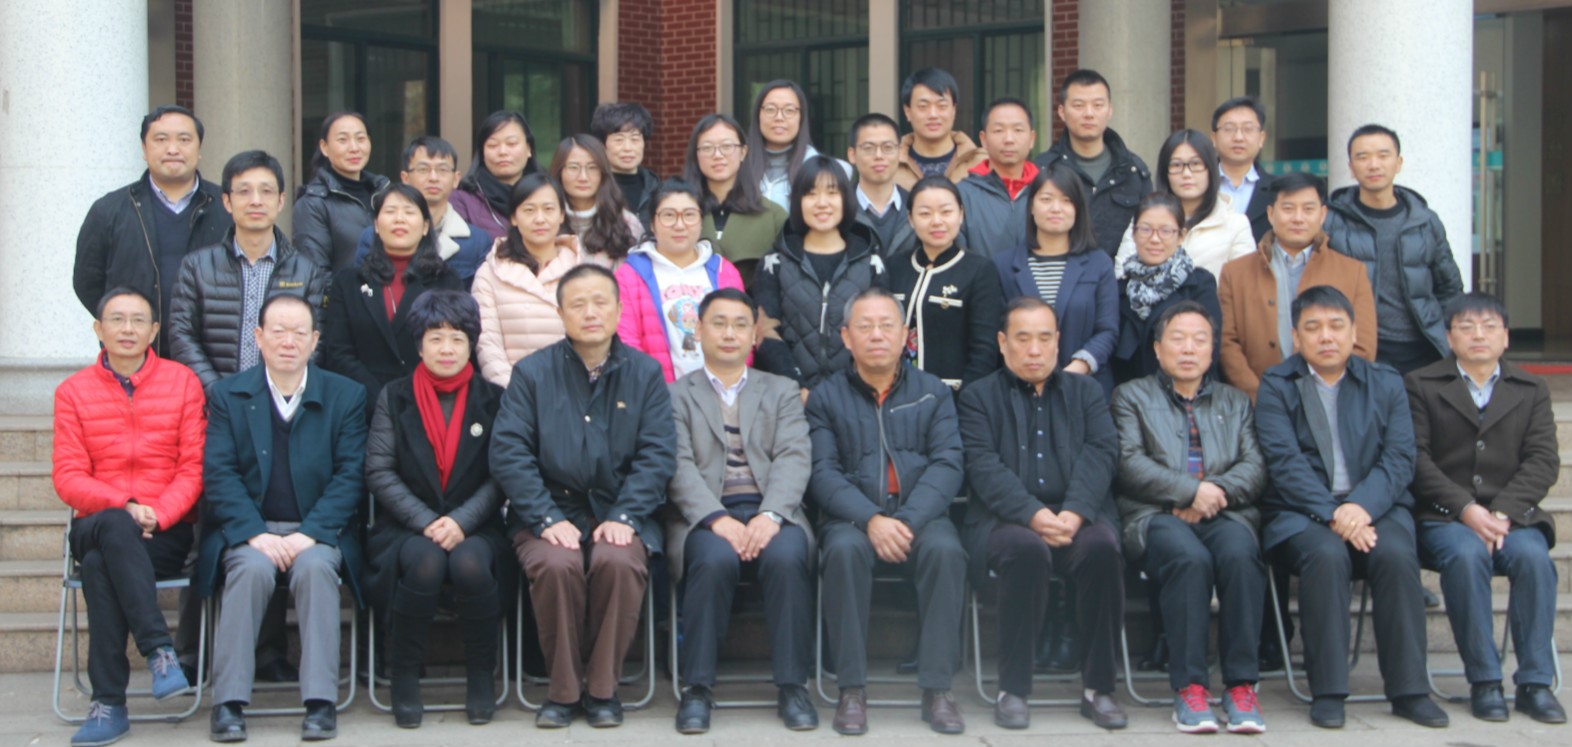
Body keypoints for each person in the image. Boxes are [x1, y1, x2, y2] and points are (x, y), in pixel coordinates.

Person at [489, 264, 677, 729]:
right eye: (577, 304)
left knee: (618, 561)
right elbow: (509, 452)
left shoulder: (645, 373)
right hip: (550, 511)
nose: (590, 313)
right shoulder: (532, 373)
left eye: (600, 303)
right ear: (560, 313)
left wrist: (627, 514)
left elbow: (657, 454)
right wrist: (545, 517)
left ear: (618, 309)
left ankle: (602, 690)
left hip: (620, 509)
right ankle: (563, 691)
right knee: (557, 564)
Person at [1253, 285, 1448, 730]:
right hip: (1301, 513)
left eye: (1336, 326)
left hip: (1376, 508)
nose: (1326, 336)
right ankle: (1328, 690)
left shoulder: (1386, 382)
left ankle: (1410, 690)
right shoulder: (1277, 385)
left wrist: (1360, 506)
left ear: (1354, 332)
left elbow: (1399, 458)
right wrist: (1333, 512)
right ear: (1295, 336)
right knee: (1326, 555)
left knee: (1396, 554)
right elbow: (1284, 463)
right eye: (1313, 327)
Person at [199, 294, 368, 743]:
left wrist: (309, 534)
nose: (288, 342)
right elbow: (219, 473)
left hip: (316, 533)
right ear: (258, 337)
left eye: (299, 333)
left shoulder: (346, 396)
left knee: (316, 571)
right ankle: (228, 702)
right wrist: (254, 533)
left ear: (315, 340)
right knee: (250, 571)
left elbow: (351, 475)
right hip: (251, 533)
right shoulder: (228, 395)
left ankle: (320, 702)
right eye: (278, 331)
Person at [959, 296, 1126, 731]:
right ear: (1002, 342)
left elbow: (1102, 452)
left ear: (1058, 342)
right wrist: (1031, 514)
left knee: (1103, 548)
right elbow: (982, 466)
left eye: (1044, 338)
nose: (1034, 350)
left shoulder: (1087, 392)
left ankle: (1099, 688)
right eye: (1023, 338)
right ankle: (1013, 689)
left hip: (1077, 516)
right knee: (1027, 551)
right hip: (1005, 520)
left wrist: (1076, 511)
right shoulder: (978, 397)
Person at [807, 287, 968, 736]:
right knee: (842, 553)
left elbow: (948, 464)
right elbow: (822, 473)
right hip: (852, 519)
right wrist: (871, 519)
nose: (876, 335)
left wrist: (907, 521)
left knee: (946, 553)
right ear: (846, 337)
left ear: (904, 336)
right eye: (865, 326)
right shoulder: (825, 397)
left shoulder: (933, 392)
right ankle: (851, 690)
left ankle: (938, 689)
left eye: (886, 326)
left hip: (920, 516)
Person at [53, 288, 203, 747]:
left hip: (163, 530)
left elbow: (193, 468)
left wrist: (159, 514)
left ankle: (108, 705)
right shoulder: (72, 392)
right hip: (96, 522)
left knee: (100, 566)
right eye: (116, 319)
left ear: (154, 331)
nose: (127, 329)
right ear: (98, 329)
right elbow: (67, 477)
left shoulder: (182, 383)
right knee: (114, 528)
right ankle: (158, 648)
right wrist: (125, 504)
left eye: (138, 320)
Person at [1407, 293, 1565, 724]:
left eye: (1489, 326)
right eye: (1467, 327)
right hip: (1445, 516)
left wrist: (1502, 512)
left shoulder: (1530, 389)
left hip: (1512, 518)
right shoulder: (1420, 384)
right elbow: (1417, 459)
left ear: (1506, 337)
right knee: (1465, 555)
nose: (1479, 335)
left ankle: (1535, 683)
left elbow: (1543, 460)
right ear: (1449, 337)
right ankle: (1485, 681)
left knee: (1534, 559)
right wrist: (1465, 509)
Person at [1111, 300, 1268, 734]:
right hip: (1154, 514)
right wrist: (1188, 491)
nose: (1188, 349)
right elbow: (1128, 463)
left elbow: (1255, 467)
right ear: (1157, 348)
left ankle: (1241, 686)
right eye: (1177, 339)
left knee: (1240, 556)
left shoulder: (1235, 401)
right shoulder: (1131, 396)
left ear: (1212, 349)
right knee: (1189, 560)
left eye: (1200, 340)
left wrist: (1211, 495)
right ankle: (1190, 688)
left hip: (1226, 512)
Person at [667, 288, 819, 734]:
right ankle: (697, 688)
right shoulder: (675, 395)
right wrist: (716, 519)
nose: (729, 334)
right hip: (704, 515)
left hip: (773, 509)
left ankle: (793, 686)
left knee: (787, 557)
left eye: (740, 325)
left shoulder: (781, 390)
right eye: (718, 323)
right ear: (698, 331)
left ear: (755, 335)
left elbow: (795, 456)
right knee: (713, 560)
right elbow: (676, 465)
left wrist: (770, 516)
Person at [363, 291, 510, 728]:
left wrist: (461, 522)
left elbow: (503, 474)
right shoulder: (394, 396)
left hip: (477, 525)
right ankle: (404, 676)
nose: (447, 349)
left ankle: (481, 675)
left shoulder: (494, 398)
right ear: (419, 344)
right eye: (436, 338)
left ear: (471, 344)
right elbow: (379, 470)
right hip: (407, 526)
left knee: (469, 565)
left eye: (457, 339)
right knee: (425, 563)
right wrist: (428, 521)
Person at [73, 105, 233, 357]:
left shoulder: (229, 209)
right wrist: (126, 324)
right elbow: (87, 282)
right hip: (135, 359)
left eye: (184, 139)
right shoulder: (109, 210)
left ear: (199, 149)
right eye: (161, 139)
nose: (173, 149)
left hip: (211, 357)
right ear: (144, 149)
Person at [169, 150, 327, 390]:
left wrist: (275, 395)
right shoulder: (196, 266)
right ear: (226, 201)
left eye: (266, 191)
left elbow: (316, 342)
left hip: (281, 401)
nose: (256, 201)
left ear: (281, 201)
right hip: (213, 401)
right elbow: (182, 337)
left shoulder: (307, 272)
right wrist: (219, 393)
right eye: (244, 191)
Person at [1217, 172, 1376, 400]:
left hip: (1334, 401)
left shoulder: (1352, 272)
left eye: (1308, 209)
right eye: (1288, 209)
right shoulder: (1235, 273)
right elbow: (1227, 344)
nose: (1298, 218)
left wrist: (1329, 393)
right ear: (1271, 214)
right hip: (1258, 402)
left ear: (1322, 214)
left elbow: (1363, 346)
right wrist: (1260, 395)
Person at [1323, 124, 1465, 375]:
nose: (1373, 165)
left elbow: (1449, 287)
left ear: (1398, 163)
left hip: (1424, 348)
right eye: (1363, 157)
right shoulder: (1331, 221)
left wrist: (1446, 333)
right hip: (1363, 349)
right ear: (1351, 167)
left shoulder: (1425, 220)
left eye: (1383, 155)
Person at [321, 183, 464, 410]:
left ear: (425, 227)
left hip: (429, 403)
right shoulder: (348, 282)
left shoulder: (447, 282)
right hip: (362, 405)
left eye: (409, 212)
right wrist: (380, 398)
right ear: (377, 226)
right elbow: (339, 352)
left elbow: (457, 346)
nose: (399, 219)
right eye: (390, 211)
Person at [754, 156, 889, 393]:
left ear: (846, 199)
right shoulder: (773, 263)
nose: (822, 203)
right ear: (797, 201)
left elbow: (879, 331)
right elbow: (766, 332)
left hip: (855, 395)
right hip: (788, 397)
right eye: (811, 194)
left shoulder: (871, 263)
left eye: (832, 193)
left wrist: (848, 391)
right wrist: (797, 387)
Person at [472, 173, 608, 388]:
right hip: (512, 394)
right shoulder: (489, 273)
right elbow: (487, 344)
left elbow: (596, 339)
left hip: (574, 392)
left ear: (561, 215)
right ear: (514, 217)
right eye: (529, 210)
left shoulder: (583, 272)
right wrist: (517, 393)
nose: (539, 219)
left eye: (548, 209)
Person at [996, 163, 1119, 398]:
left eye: (1066, 200)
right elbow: (999, 332)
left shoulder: (1098, 263)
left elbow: (1108, 330)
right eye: (1046, 199)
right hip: (1021, 391)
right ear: (1031, 206)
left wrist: (1076, 369)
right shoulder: (1004, 265)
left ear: (1078, 209)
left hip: (1084, 389)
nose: (1056, 208)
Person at [615, 180, 745, 382]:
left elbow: (742, 334)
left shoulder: (723, 271)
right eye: (668, 215)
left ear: (701, 220)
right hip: (656, 393)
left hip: (721, 390)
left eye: (689, 215)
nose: (679, 225)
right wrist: (652, 392)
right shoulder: (629, 275)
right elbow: (627, 342)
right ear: (652, 223)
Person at [889, 176, 1002, 390]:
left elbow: (984, 351)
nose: (936, 221)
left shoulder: (979, 270)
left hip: (954, 395)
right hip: (898, 393)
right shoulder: (895, 267)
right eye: (925, 213)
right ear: (910, 219)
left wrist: (967, 400)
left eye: (946, 212)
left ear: (961, 214)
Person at [1035, 69, 1152, 256]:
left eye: (1098, 105)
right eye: (1079, 105)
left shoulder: (1133, 171)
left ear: (1110, 110)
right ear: (1062, 112)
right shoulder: (1043, 169)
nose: (1089, 114)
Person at [1111, 193, 1222, 385]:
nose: (1155, 239)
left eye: (1166, 231)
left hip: (1187, 391)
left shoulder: (1199, 285)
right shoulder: (1119, 289)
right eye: (1145, 229)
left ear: (1181, 236)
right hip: (1129, 395)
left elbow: (1211, 347)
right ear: (1134, 234)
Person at [352, 136, 492, 287]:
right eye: (423, 169)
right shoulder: (375, 235)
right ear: (405, 178)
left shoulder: (478, 242)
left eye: (442, 170)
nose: (433, 178)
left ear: (456, 179)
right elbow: (363, 291)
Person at [1115, 130, 1254, 279]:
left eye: (1196, 164)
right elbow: (1121, 274)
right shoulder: (1144, 219)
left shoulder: (1236, 224)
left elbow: (1244, 284)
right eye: (1176, 165)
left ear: (1211, 169)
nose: (1186, 174)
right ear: (1165, 172)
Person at [683, 113, 788, 285]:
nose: (718, 155)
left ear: (743, 152)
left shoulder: (773, 216)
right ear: (696, 155)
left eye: (727, 146)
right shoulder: (679, 214)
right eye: (707, 148)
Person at [293, 112, 390, 272]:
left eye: (360, 139)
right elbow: (316, 274)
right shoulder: (313, 204)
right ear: (324, 147)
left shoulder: (384, 193)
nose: (354, 148)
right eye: (343, 140)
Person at [741, 79, 852, 210]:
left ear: (801, 117)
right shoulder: (737, 163)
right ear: (757, 115)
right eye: (770, 109)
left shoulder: (822, 169)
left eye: (789, 110)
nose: (779, 117)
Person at [956, 97, 1039, 260]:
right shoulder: (962, 195)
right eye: (998, 130)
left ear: (1032, 139)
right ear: (983, 140)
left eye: (1018, 130)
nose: (1009, 139)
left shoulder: (1048, 192)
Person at [547, 135, 641, 266]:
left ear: (603, 173)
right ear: (559, 171)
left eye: (592, 167)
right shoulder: (544, 222)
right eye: (573, 167)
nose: (583, 177)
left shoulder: (627, 223)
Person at [451, 111, 541, 241]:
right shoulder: (461, 200)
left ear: (529, 149)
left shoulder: (546, 193)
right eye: (493, 145)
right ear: (482, 153)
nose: (502, 152)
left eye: (511, 144)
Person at [895, 68, 986, 188]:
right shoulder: (890, 164)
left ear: (954, 110)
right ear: (907, 111)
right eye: (923, 106)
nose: (933, 115)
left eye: (942, 106)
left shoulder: (983, 162)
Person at [847, 113, 917, 257]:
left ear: (900, 152)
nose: (879, 156)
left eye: (887, 147)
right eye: (868, 148)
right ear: (852, 155)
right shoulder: (838, 209)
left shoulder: (917, 208)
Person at [1211, 97, 1276, 242]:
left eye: (1248, 129)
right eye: (1229, 129)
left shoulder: (1277, 191)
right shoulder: (1197, 186)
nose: (1238, 137)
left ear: (1261, 138)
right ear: (1214, 138)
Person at [591, 102, 660, 222]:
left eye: (635, 139)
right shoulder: (592, 188)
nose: (628, 148)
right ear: (603, 144)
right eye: (619, 140)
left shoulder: (657, 189)